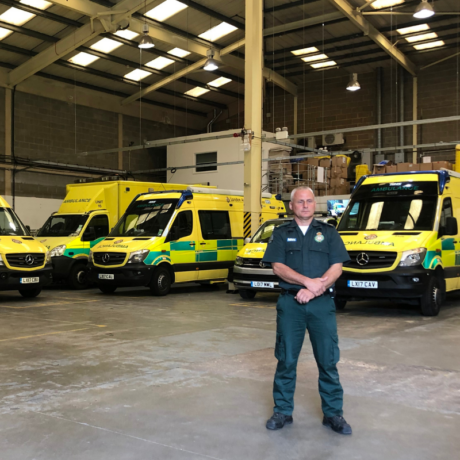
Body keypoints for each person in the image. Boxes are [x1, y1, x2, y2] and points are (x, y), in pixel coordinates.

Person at [262, 186, 352, 435]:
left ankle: (333, 414)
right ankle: (282, 410)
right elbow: (278, 267)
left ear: (315, 204)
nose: (304, 205)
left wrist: (314, 289)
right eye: (299, 201)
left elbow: (337, 268)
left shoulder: (329, 232)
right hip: (291, 305)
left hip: (321, 305)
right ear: (291, 206)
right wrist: (306, 282)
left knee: (328, 359)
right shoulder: (280, 233)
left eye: (309, 201)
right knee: (286, 359)